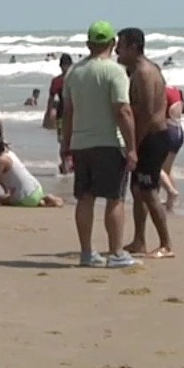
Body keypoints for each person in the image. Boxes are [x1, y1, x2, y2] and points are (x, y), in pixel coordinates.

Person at [60, 21, 138, 268]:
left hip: (81, 143)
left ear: (88, 44)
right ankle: (116, 253)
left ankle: (86, 252)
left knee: (85, 198)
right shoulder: (114, 71)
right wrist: (132, 147)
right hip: (108, 143)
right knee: (115, 199)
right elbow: (122, 110)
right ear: (113, 44)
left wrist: (66, 144)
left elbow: (68, 112)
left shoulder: (74, 72)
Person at [116, 28, 173, 259]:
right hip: (147, 136)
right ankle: (139, 240)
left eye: (121, 45)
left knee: (148, 191)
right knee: (136, 189)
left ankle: (166, 244)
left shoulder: (145, 72)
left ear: (133, 47)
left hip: (153, 137)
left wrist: (133, 147)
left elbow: (148, 114)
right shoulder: (137, 71)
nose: (117, 50)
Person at [0, 136, 62, 208]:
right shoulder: (9, 153)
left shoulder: (0, 161)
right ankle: (44, 199)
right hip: (37, 188)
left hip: (25, 197)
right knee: (13, 196)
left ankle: (39, 201)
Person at [44, 53, 73, 171]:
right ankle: (66, 164)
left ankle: (68, 164)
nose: (65, 68)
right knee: (62, 140)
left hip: (75, 114)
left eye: (66, 66)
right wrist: (48, 113)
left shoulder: (76, 79)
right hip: (62, 114)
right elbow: (51, 98)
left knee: (72, 140)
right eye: (64, 66)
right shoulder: (57, 81)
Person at [160, 85, 184, 209]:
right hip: (178, 131)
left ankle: (171, 191)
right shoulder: (175, 90)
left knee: (155, 166)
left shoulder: (161, 92)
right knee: (167, 168)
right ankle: (171, 202)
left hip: (168, 131)